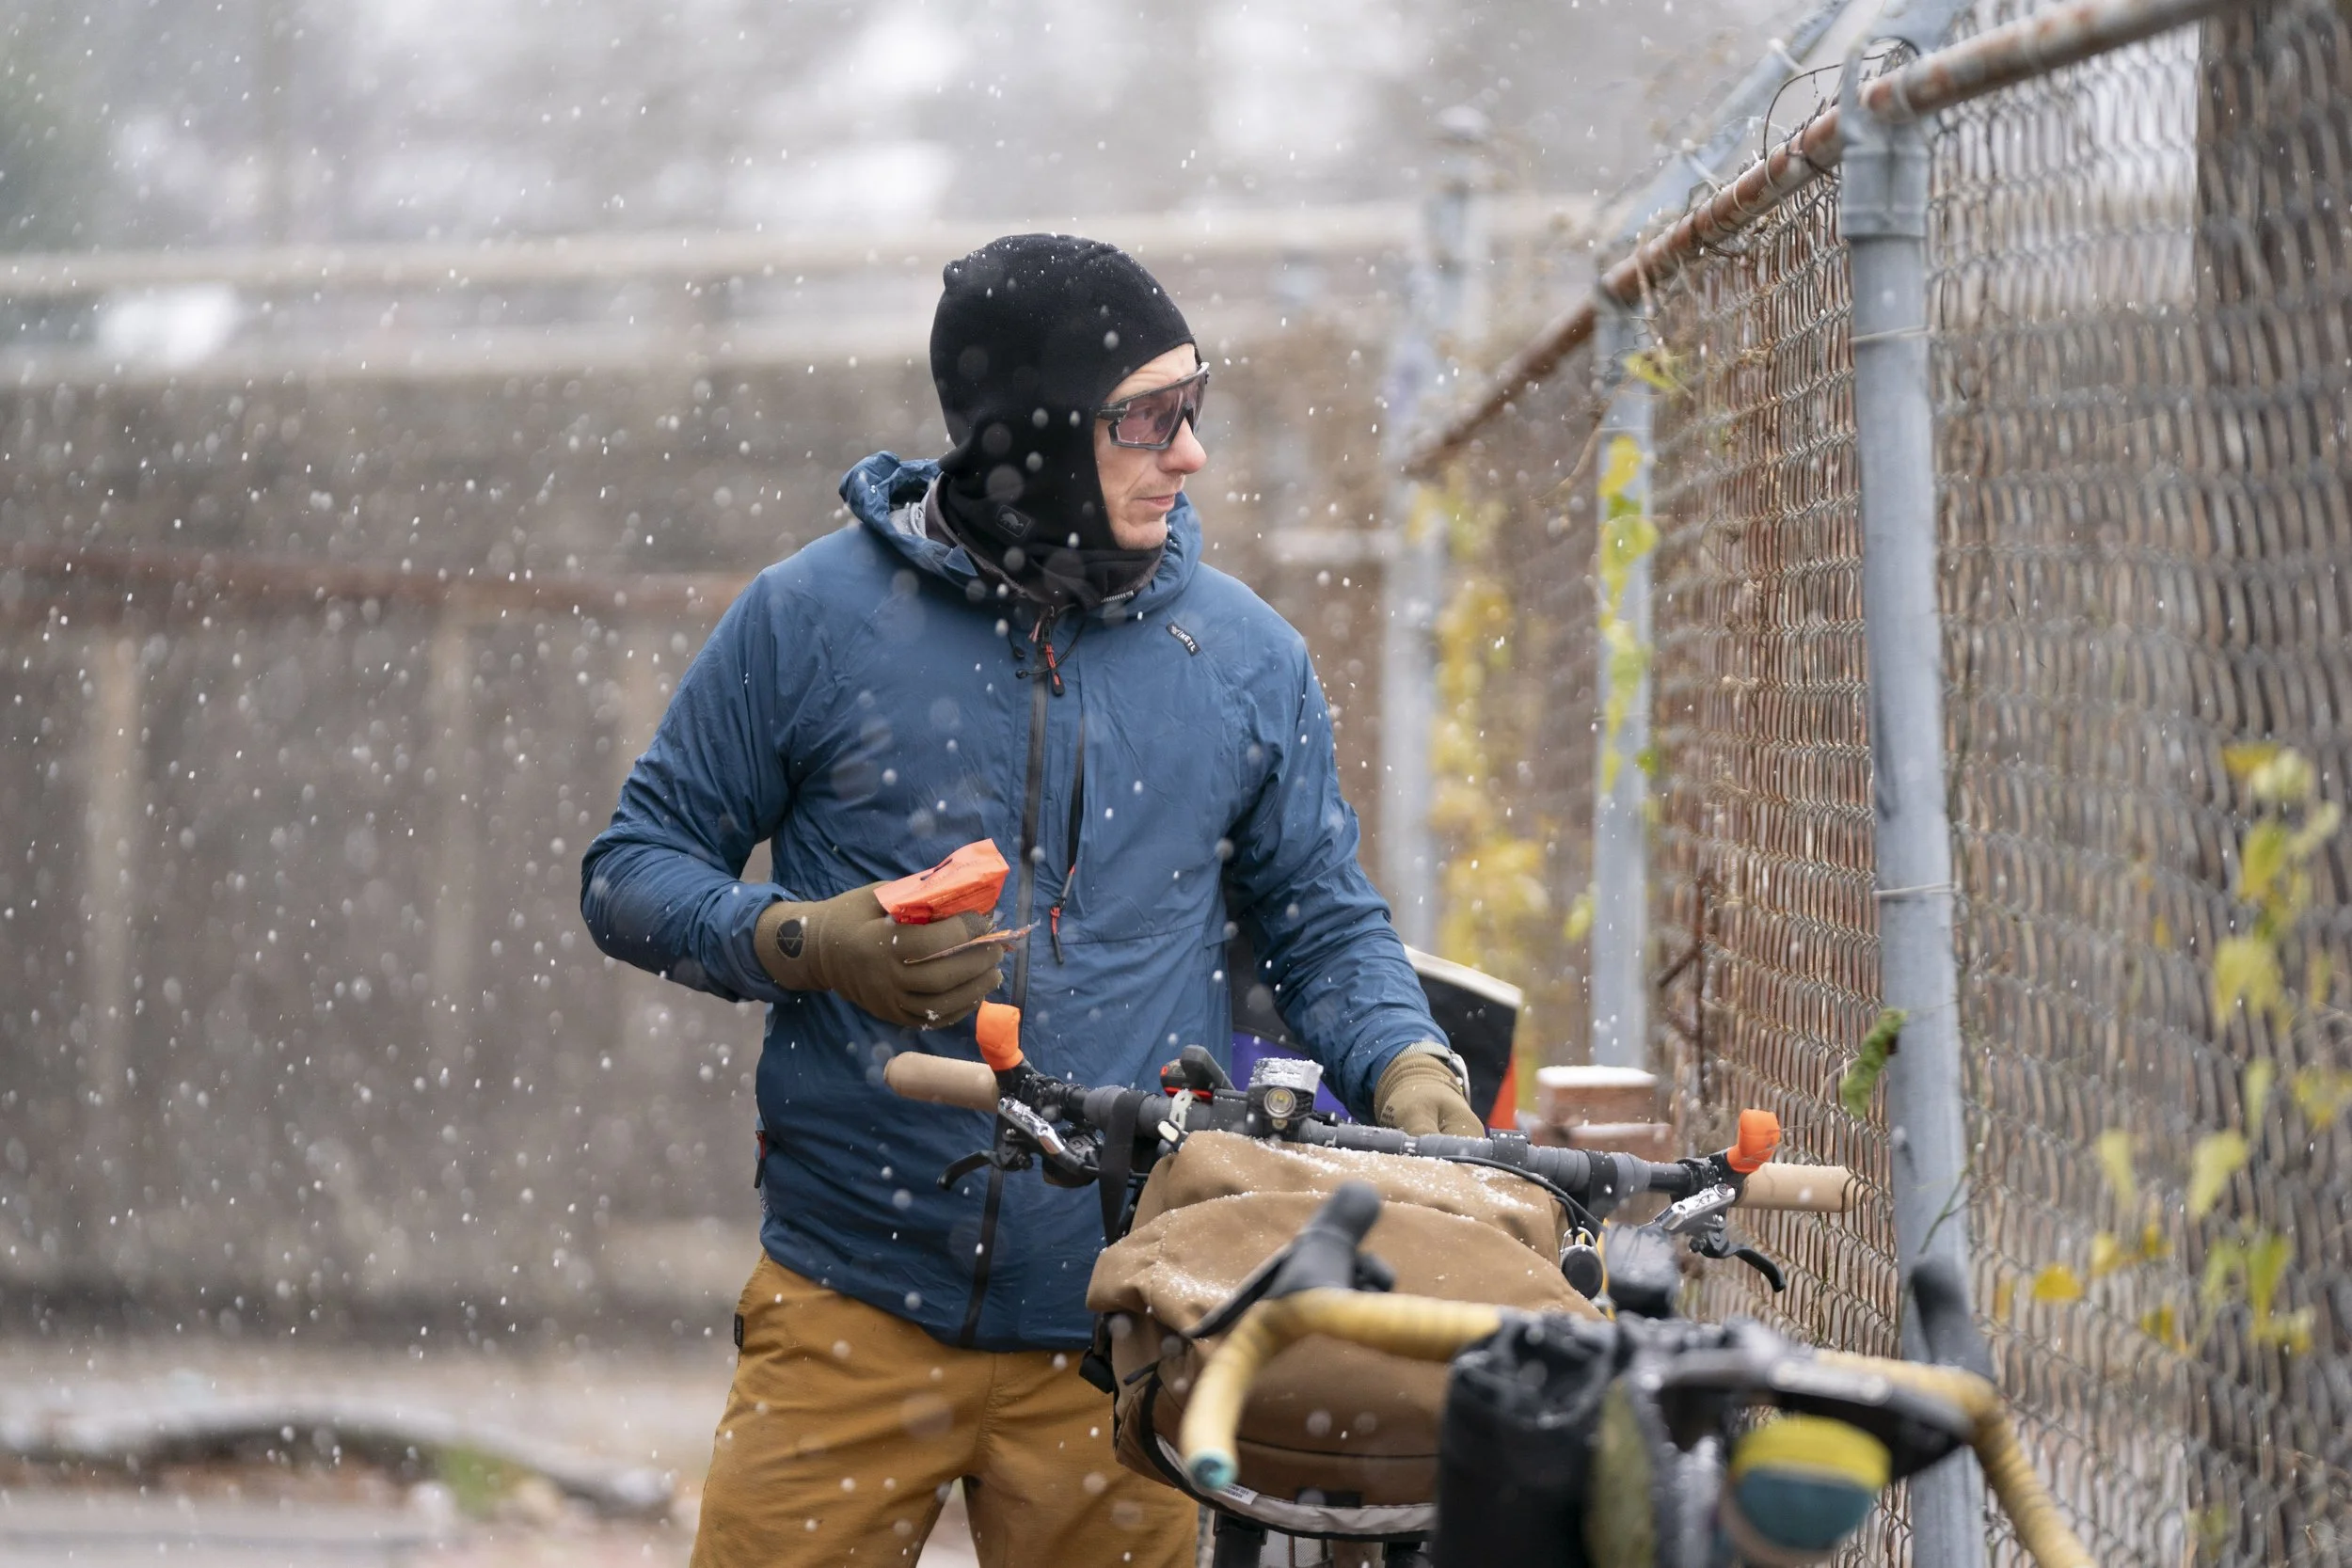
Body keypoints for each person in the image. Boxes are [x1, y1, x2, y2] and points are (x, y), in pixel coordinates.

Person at [580, 233, 1481, 1568]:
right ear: (1040, 434)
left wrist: (1409, 1066)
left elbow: (1321, 916)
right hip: (848, 1304)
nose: (1191, 453)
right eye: (1147, 418)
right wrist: (802, 940)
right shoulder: (810, 620)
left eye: (1196, 407)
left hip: (1124, 1324)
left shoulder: (1243, 658)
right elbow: (630, 870)